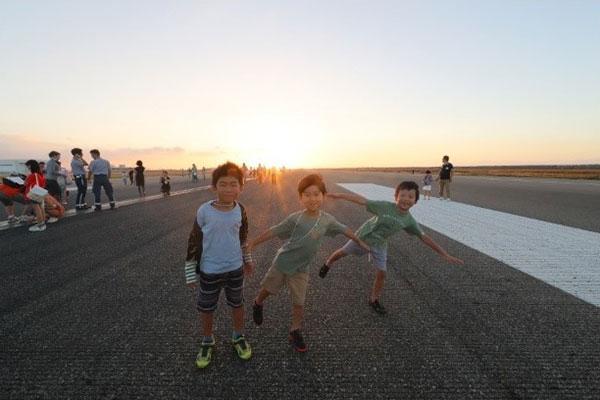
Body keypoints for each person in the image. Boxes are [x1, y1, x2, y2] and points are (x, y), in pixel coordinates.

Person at [248, 174, 369, 352]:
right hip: (283, 262)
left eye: (316, 194)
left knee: (299, 301)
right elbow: (275, 231)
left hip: (301, 269)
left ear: (323, 196)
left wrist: (359, 241)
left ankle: (295, 330)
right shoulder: (295, 218)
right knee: (269, 289)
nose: (312, 198)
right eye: (307, 194)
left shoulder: (328, 220)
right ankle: (258, 303)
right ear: (300, 198)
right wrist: (253, 243)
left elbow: (345, 230)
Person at [319, 181, 464, 315]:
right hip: (363, 238)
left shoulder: (409, 220)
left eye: (411, 196)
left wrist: (444, 254)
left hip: (380, 244)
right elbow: (361, 201)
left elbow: (424, 237)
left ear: (415, 201)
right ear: (396, 196)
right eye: (402, 195)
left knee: (382, 273)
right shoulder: (384, 206)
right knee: (341, 253)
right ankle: (328, 263)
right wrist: (338, 195)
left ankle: (374, 300)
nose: (406, 199)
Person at [184, 161, 253, 369]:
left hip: (235, 268)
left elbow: (243, 238)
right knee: (207, 308)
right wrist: (189, 272)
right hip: (209, 271)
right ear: (214, 187)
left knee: (238, 303)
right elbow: (193, 240)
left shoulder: (241, 210)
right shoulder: (204, 211)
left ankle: (238, 336)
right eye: (223, 184)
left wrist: (247, 260)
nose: (229, 188)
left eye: (234, 184)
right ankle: (207, 340)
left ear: (241, 187)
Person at [23, 160, 48, 232]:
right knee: (41, 208)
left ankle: (40, 225)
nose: (27, 167)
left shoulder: (33, 175)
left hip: (34, 192)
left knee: (37, 209)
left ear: (30, 165)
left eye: (28, 165)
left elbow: (25, 184)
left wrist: (26, 179)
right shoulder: (40, 174)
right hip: (40, 192)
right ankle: (42, 223)